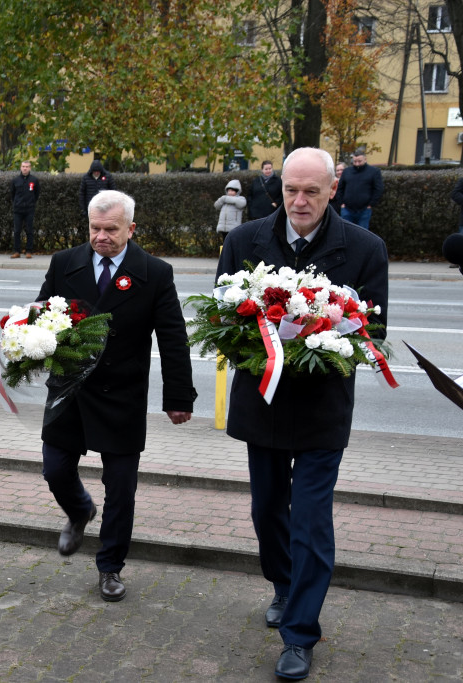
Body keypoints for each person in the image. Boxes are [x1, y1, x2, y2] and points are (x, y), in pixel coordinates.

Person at [217, 147, 389, 681]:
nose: (299, 200)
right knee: (268, 511)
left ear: (334, 188)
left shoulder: (364, 248)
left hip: (322, 411)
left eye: (312, 190)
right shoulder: (245, 241)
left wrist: (327, 333)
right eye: (291, 189)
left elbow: (373, 336)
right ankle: (283, 586)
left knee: (310, 522)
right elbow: (223, 319)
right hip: (263, 404)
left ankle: (300, 633)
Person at [36, 189, 197, 603]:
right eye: (94, 228)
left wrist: (179, 395)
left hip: (121, 393)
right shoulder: (64, 263)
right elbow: (41, 313)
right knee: (55, 469)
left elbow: (174, 338)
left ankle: (110, 567)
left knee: (121, 488)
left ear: (131, 229)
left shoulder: (154, 273)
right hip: (69, 389)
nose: (101, 237)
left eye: (111, 229)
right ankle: (79, 510)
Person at [334, 149, 384, 231]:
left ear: (365, 159)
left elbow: (378, 189)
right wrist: (341, 203)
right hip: (347, 209)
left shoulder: (374, 172)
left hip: (364, 210)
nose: (357, 163)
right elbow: (340, 188)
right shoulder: (347, 171)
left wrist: (371, 204)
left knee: (362, 234)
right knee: (346, 232)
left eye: (359, 161)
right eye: (355, 161)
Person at [10, 160, 40, 258]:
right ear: (20, 167)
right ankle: (17, 251)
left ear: (30, 168)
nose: (25, 168)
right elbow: (12, 194)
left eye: (27, 166)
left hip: (29, 210)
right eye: (23, 166)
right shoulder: (15, 180)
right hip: (18, 210)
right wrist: (16, 203)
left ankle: (28, 251)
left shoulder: (34, 180)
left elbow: (37, 194)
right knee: (17, 231)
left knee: (29, 231)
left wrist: (31, 203)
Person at [213, 178, 246, 246]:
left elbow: (242, 204)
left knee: (232, 243)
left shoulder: (240, 199)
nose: (230, 192)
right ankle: (225, 256)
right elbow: (216, 205)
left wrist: (226, 199)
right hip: (223, 227)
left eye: (232, 191)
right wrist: (222, 199)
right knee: (225, 243)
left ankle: (232, 256)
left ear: (237, 191)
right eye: (229, 191)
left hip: (233, 227)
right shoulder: (223, 200)